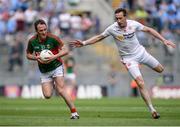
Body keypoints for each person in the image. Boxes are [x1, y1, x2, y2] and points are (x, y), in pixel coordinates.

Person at [70, 8, 176, 119]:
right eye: (117, 18)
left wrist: (164, 40)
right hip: (129, 59)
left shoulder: (133, 24)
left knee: (160, 69)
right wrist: (84, 42)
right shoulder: (112, 28)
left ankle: (151, 102)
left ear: (125, 17)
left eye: (120, 18)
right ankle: (152, 110)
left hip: (142, 53)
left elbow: (149, 30)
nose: (119, 20)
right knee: (140, 83)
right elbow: (99, 37)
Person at [26, 19, 79, 119]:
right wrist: (36, 57)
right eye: (41, 30)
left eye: (45, 29)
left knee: (61, 90)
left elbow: (66, 50)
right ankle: (54, 83)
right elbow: (28, 55)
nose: (44, 32)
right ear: (37, 31)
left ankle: (74, 113)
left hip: (56, 66)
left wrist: (54, 56)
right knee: (47, 95)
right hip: (44, 71)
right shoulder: (32, 41)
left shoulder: (53, 38)